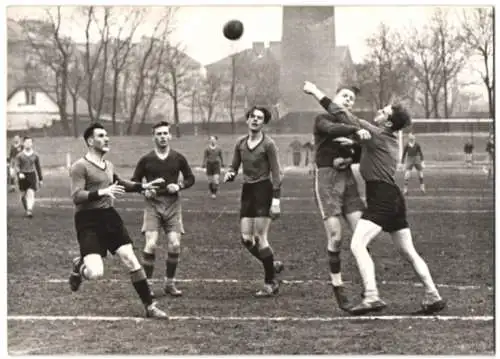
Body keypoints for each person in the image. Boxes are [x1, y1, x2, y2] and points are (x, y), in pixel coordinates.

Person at [335, 104, 446, 315]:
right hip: (393, 197)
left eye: (384, 112)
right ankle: (433, 295)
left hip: (382, 198)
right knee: (409, 252)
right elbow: (369, 151)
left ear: (387, 122)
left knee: (357, 245)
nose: (378, 110)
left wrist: (316, 93)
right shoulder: (387, 138)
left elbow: (346, 116)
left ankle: (371, 296)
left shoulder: (378, 134)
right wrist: (354, 147)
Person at [68, 123, 168, 319]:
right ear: (90, 141)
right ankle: (79, 265)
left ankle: (150, 305)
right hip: (87, 221)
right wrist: (102, 192)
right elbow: (76, 195)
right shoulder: (79, 166)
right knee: (95, 273)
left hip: (109, 217)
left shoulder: (108, 165)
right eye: (101, 136)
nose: (107, 139)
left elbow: (119, 182)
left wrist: (142, 186)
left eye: (107, 135)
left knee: (130, 258)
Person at [303, 80, 370, 311]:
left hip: (347, 181)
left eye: (352, 98)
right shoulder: (322, 120)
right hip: (327, 181)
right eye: (344, 96)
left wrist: (351, 156)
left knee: (362, 234)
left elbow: (361, 154)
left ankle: (369, 286)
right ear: (335, 98)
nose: (348, 100)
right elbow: (333, 130)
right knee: (336, 237)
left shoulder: (354, 126)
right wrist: (356, 131)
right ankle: (337, 285)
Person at [224, 106, 284, 297]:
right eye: (253, 117)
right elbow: (234, 166)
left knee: (260, 237)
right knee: (246, 239)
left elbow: (277, 173)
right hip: (247, 191)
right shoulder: (240, 143)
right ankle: (271, 265)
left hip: (263, 190)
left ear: (263, 122)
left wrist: (276, 200)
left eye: (260, 118)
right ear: (247, 119)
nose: (256, 120)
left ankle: (270, 282)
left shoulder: (269, 144)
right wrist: (230, 173)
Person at [132, 121, 195, 298]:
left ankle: (170, 283)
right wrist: (145, 189)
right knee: (151, 244)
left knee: (175, 244)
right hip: (153, 205)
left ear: (170, 136)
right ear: (154, 137)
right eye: (159, 134)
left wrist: (179, 185)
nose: (162, 137)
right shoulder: (146, 160)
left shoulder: (178, 158)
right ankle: (148, 285)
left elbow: (191, 178)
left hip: (173, 205)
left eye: (165, 133)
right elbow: (135, 181)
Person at [14, 136, 43, 217]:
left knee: (31, 193)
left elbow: (38, 167)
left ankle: (29, 210)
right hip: (22, 176)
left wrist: (40, 179)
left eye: (30, 142)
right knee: (23, 196)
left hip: (31, 175)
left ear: (32, 144)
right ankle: (27, 208)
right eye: (27, 142)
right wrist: (19, 173)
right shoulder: (19, 155)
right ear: (23, 143)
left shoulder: (35, 155)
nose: (28, 144)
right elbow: (16, 166)